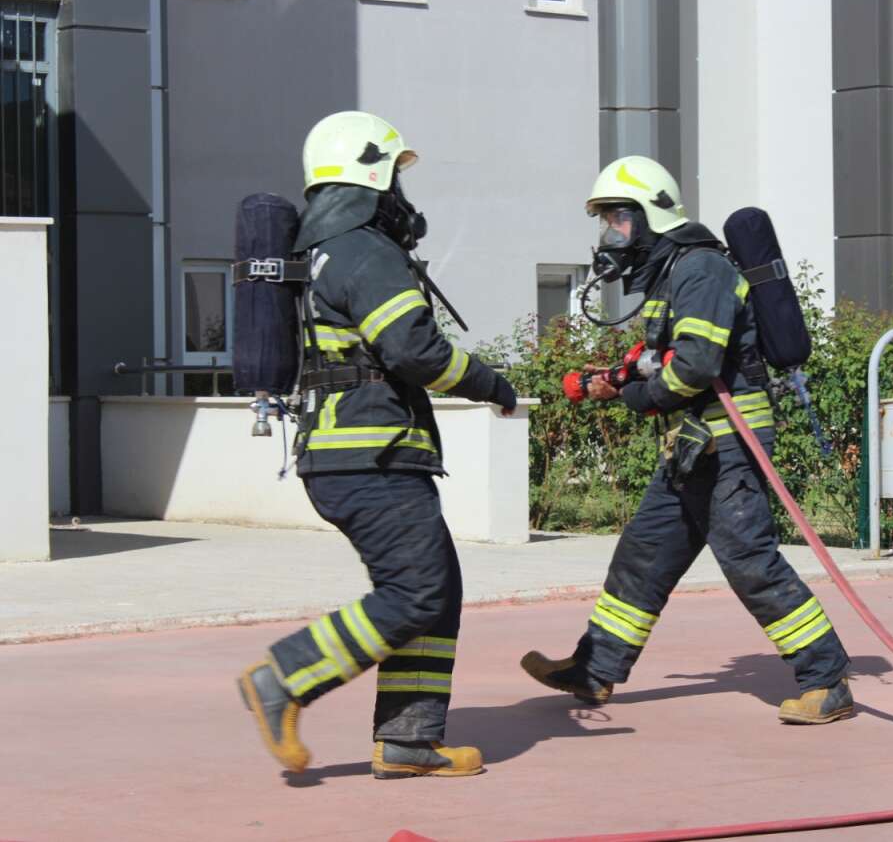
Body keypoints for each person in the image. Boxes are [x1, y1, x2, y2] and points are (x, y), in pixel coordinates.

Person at [521, 156, 853, 724]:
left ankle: (826, 679)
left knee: (749, 562)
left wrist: (636, 397)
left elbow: (696, 366)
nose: (610, 235)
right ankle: (594, 670)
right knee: (643, 556)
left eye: (618, 220)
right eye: (605, 222)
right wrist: (620, 377)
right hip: (692, 447)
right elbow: (663, 358)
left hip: (728, 444)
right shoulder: (672, 274)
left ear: (649, 215)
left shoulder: (701, 269)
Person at [237, 111, 518, 779]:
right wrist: (490, 383)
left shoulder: (325, 251)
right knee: (417, 591)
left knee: (435, 588)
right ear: (371, 179)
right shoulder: (364, 251)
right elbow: (415, 350)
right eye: (394, 177)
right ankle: (283, 677)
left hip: (350, 452)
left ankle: (408, 739)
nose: (400, 193)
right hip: (372, 456)